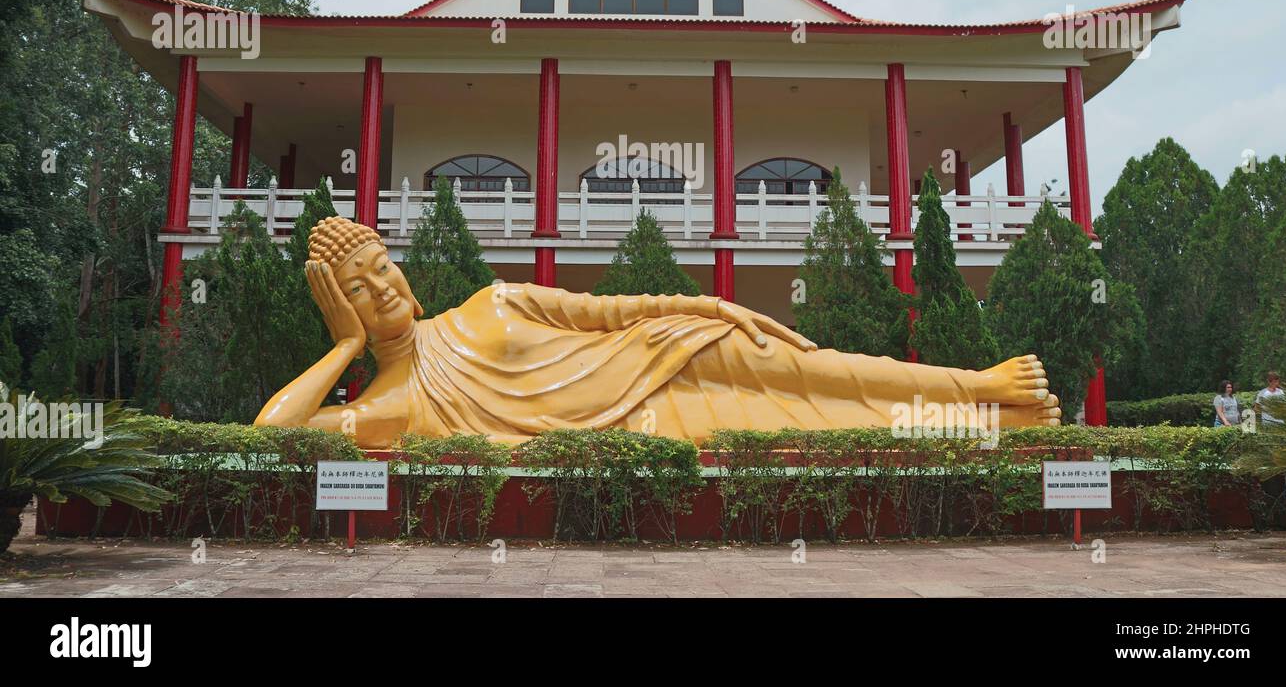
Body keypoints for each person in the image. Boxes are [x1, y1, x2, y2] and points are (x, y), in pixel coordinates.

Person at [255, 217, 1061, 448]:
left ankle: (981, 388)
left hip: (661, 350)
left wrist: (711, 307)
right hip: (648, 420)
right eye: (359, 289)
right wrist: (345, 351)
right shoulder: (392, 406)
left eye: (384, 268)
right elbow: (266, 437)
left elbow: (609, 310)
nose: (385, 288)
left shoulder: (488, 301)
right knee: (815, 426)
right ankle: (983, 425)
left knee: (818, 370)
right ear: (341, 305)